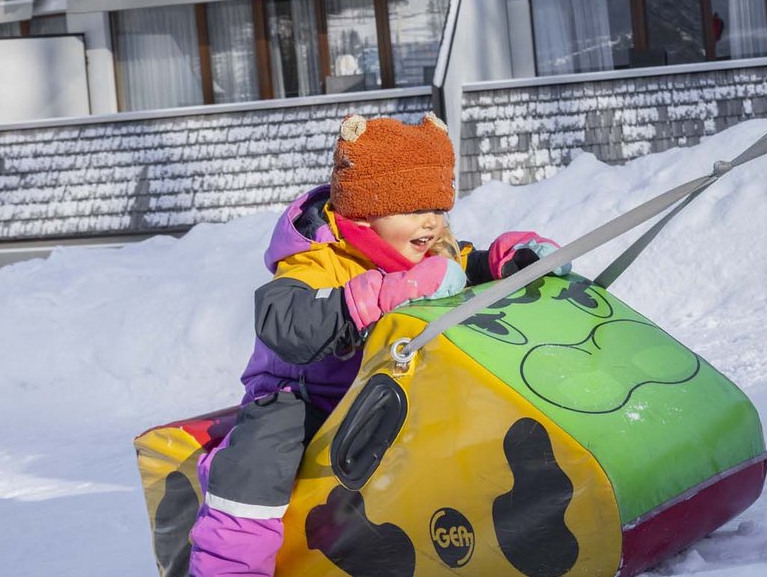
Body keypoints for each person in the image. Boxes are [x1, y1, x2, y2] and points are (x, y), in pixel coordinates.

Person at [188, 112, 561, 577]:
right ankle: (229, 567)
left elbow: (468, 267)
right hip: (303, 397)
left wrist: (509, 261)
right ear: (365, 211)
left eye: (438, 207)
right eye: (413, 209)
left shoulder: (425, 248)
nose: (431, 223)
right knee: (257, 461)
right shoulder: (318, 258)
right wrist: (382, 295)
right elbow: (283, 320)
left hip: (382, 391)